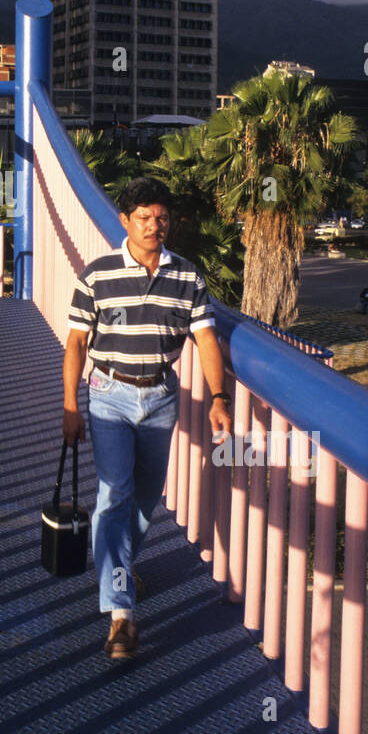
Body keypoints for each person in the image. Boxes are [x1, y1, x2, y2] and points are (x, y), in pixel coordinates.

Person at [63, 176, 233, 662]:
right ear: (124, 221)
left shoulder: (189, 277)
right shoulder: (96, 276)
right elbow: (76, 343)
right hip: (109, 394)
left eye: (161, 218)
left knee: (145, 496)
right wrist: (70, 405)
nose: (154, 226)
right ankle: (120, 614)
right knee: (114, 492)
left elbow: (204, 340)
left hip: (161, 394)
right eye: (144, 218)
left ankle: (120, 563)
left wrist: (218, 397)